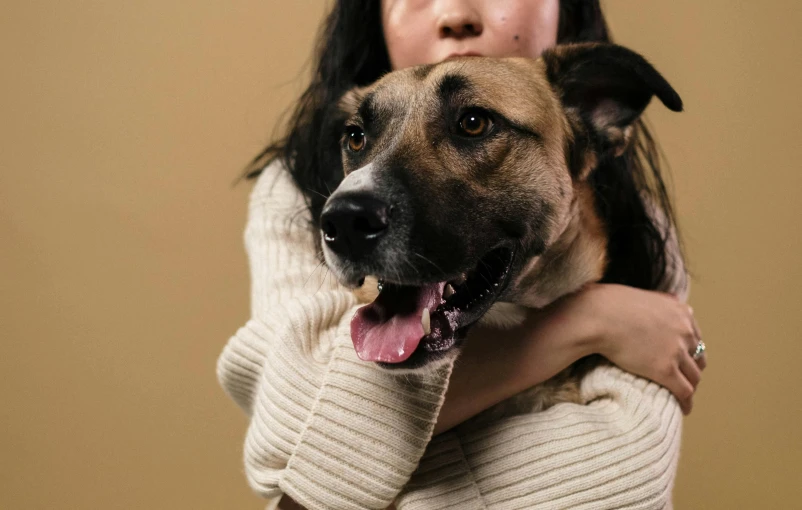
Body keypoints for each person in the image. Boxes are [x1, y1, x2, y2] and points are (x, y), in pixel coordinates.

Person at [217, 1, 707, 509]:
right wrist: (591, 320)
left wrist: (372, 471)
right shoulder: (292, 193)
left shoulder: (645, 230)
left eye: (473, 123)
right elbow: (295, 450)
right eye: (360, 138)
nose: (455, 11)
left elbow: (625, 482)